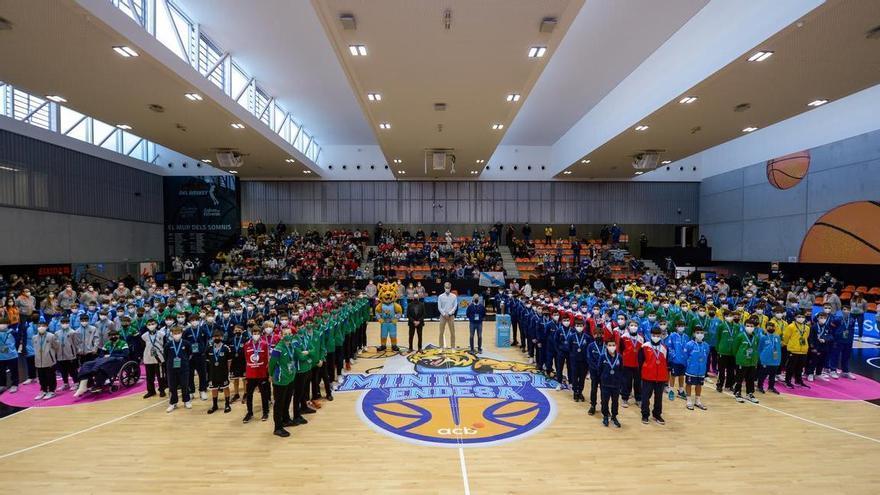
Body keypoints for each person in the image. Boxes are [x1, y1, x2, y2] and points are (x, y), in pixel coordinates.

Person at [73, 329, 129, 398]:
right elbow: (101, 354)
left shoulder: (123, 343)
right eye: (111, 335)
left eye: (115, 335)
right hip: (105, 359)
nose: (113, 337)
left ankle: (98, 385)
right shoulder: (107, 344)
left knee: (102, 367)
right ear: (109, 337)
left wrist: (111, 355)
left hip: (118, 360)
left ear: (118, 336)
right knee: (86, 364)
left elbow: (125, 354)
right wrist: (105, 356)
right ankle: (83, 386)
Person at [269, 325, 297, 437]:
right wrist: (270, 375)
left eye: (289, 334)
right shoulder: (278, 349)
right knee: (279, 404)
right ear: (281, 335)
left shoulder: (290, 346)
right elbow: (271, 364)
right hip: (280, 379)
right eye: (285, 334)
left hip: (290, 377)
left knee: (287, 400)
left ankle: (286, 419)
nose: (288, 336)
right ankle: (278, 427)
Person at [639, 326, 668, 425]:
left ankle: (657, 415)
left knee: (659, 397)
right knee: (645, 397)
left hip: (661, 377)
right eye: (654, 335)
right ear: (651, 335)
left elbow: (666, 362)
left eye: (658, 335)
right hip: (648, 376)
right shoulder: (644, 346)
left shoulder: (664, 348)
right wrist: (642, 374)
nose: (656, 337)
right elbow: (640, 362)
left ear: (661, 336)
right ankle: (645, 415)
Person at [243, 325, 270, 423]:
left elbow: (267, 359)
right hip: (251, 374)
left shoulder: (264, 344)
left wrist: (267, 372)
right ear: (251, 334)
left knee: (264, 394)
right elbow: (246, 358)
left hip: (262, 373)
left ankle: (265, 412)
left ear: (260, 334)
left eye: (258, 333)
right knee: (249, 394)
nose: (256, 335)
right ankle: (249, 412)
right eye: (254, 333)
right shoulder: (246, 345)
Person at [164, 326, 192, 412]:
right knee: (172, 386)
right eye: (175, 333)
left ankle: (186, 401)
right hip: (171, 369)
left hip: (183, 368)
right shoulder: (168, 344)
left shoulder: (186, 343)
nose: (177, 335)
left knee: (185, 385)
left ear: (181, 333)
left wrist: (184, 361)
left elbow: (189, 354)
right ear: (172, 334)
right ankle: (173, 403)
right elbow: (166, 356)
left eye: (178, 333)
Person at [732, 317, 761, 403]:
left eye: (751, 326)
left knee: (751, 378)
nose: (750, 327)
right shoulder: (740, 336)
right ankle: (737, 393)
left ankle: (749, 393)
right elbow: (735, 348)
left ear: (754, 327)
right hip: (742, 361)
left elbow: (756, 348)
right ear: (744, 326)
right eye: (748, 326)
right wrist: (739, 356)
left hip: (752, 361)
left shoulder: (756, 337)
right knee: (739, 378)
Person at [683, 326, 709, 410]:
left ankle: (697, 401)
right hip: (691, 370)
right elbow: (685, 356)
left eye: (701, 333)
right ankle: (689, 400)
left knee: (699, 385)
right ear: (694, 334)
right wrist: (688, 366)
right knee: (689, 384)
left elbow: (706, 356)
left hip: (701, 370)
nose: (700, 334)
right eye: (697, 333)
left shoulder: (706, 345)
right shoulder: (689, 344)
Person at [206, 329, 232, 414]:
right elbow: (207, 361)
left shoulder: (226, 348)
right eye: (215, 337)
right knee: (214, 388)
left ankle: (227, 405)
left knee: (225, 387)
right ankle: (215, 405)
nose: (217, 338)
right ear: (212, 338)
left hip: (223, 372)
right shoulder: (209, 348)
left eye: (218, 336)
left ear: (222, 337)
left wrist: (228, 371)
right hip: (213, 372)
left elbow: (229, 361)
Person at [599, 337, 622, 428]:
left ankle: (614, 417)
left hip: (616, 384)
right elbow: (599, 369)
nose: (612, 347)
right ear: (606, 346)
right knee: (605, 401)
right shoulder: (602, 357)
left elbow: (621, 369)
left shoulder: (619, 357)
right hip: (605, 383)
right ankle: (605, 416)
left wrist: (619, 380)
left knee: (615, 401)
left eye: (613, 345)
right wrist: (602, 379)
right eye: (610, 345)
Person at [33, 321, 60, 400]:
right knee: (41, 377)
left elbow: (56, 346)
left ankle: (52, 391)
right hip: (39, 361)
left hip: (49, 361)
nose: (41, 327)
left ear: (46, 327)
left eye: (43, 326)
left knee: (50, 376)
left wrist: (51, 354)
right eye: (39, 326)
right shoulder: (34, 337)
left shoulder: (51, 336)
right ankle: (43, 390)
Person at [567, 316, 591, 403]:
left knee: (582, 377)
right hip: (574, 360)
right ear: (575, 326)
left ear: (583, 326)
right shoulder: (571, 337)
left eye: (581, 326)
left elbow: (588, 349)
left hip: (584, 361)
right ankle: (575, 392)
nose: (579, 327)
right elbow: (569, 348)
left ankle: (580, 392)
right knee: (574, 376)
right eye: (577, 325)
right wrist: (572, 355)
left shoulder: (587, 337)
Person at [783, 312, 810, 388]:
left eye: (802, 317)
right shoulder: (791, 326)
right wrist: (787, 345)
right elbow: (786, 337)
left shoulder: (807, 328)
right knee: (790, 367)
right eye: (799, 316)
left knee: (800, 367)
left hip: (803, 350)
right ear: (795, 317)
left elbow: (806, 337)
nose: (801, 318)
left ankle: (798, 380)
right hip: (793, 350)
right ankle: (787, 381)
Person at [142, 318, 166, 398]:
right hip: (148, 358)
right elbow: (143, 346)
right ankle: (151, 391)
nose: (151, 326)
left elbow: (165, 345)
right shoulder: (144, 336)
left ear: (156, 324)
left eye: (152, 324)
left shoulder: (162, 334)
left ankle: (162, 390)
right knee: (149, 376)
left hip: (159, 358)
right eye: (149, 324)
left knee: (161, 375)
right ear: (146, 326)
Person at [54, 317, 81, 391]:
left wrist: (76, 353)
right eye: (63, 323)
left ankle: (76, 383)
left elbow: (76, 344)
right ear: (60, 324)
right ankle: (66, 383)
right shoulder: (57, 333)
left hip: (70, 355)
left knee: (73, 370)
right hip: (60, 355)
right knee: (63, 371)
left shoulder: (73, 332)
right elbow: (56, 344)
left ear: (69, 323)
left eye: (66, 323)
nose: (64, 324)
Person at [831, 307, 857, 379]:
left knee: (846, 356)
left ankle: (845, 371)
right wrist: (835, 336)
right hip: (838, 340)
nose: (846, 311)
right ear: (841, 311)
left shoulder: (852, 319)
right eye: (844, 309)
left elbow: (851, 329)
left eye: (848, 310)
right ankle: (833, 370)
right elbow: (832, 328)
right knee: (835, 355)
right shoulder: (837, 319)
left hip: (848, 341)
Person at [757, 321, 782, 394]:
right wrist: (760, 358)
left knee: (773, 375)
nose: (771, 328)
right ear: (766, 328)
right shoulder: (763, 337)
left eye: (772, 327)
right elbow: (759, 349)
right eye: (769, 327)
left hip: (775, 359)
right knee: (763, 375)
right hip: (765, 360)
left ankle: (771, 387)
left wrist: (778, 358)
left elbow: (778, 348)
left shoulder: (777, 337)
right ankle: (760, 386)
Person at [807, 311, 832, 382]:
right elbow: (810, 338)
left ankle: (818, 373)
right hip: (816, 347)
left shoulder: (827, 327)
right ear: (817, 318)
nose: (823, 319)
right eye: (821, 318)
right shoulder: (813, 327)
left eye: (824, 318)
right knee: (813, 361)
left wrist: (825, 339)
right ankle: (810, 373)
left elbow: (831, 336)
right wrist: (812, 348)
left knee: (822, 361)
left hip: (824, 347)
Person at [228, 324, 247, 402]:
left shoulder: (245, 339)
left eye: (239, 330)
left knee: (244, 379)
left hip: (243, 362)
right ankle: (236, 394)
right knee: (235, 379)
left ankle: (245, 394)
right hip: (234, 362)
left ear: (242, 331)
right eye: (236, 330)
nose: (237, 331)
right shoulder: (231, 340)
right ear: (233, 331)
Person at [0, 319, 20, 393]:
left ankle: (15, 384)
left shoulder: (13, 332)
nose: (1, 325)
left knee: (14, 371)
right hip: (1, 356)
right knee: (1, 371)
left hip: (12, 355)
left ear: (8, 324)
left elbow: (17, 341)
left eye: (3, 323)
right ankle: (2, 385)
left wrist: (13, 349)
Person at [437, 283, 458, 348]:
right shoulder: (440, 296)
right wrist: (444, 314)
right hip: (442, 316)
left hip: (451, 316)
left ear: (450, 288)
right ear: (444, 287)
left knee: (452, 333)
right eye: (446, 287)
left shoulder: (454, 296)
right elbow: (439, 307)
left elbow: (455, 306)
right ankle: (441, 347)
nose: (447, 289)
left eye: (448, 288)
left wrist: (449, 313)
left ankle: (453, 347)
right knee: (441, 332)